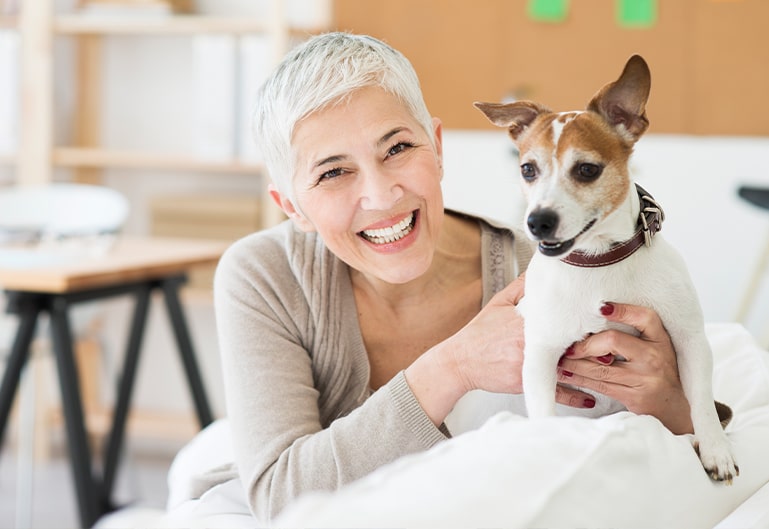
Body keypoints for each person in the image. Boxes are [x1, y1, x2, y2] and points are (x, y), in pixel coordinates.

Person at [201, 32, 702, 523]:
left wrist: (671, 406)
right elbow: (278, 499)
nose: (381, 195)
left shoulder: (557, 269)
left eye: (396, 148)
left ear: (437, 148)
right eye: (333, 172)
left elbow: (647, 450)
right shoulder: (265, 276)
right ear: (292, 207)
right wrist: (454, 365)